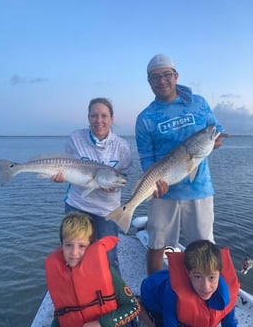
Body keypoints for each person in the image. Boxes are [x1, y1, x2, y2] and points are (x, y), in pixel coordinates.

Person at [135, 54, 228, 274]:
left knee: (205, 246)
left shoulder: (198, 103)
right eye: (155, 77)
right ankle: (153, 293)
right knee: (157, 244)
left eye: (167, 74)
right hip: (163, 192)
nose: (162, 80)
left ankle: (204, 296)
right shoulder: (145, 118)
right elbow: (147, 158)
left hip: (200, 189)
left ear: (176, 76)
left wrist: (215, 141)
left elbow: (216, 130)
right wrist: (154, 184)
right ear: (149, 83)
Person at [53, 97, 132, 270]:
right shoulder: (76, 138)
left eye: (104, 115)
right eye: (94, 115)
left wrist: (113, 184)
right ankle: (76, 292)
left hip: (107, 211)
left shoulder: (123, 147)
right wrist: (60, 176)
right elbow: (67, 167)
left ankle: (111, 294)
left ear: (111, 118)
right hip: (77, 205)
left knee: (108, 257)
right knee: (75, 256)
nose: (99, 120)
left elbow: (123, 176)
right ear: (88, 118)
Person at [45, 212, 141, 327]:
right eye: (68, 245)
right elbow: (62, 313)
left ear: (91, 246)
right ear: (62, 246)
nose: (74, 252)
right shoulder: (60, 276)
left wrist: (101, 323)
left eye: (81, 246)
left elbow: (133, 307)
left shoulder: (107, 272)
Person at [140, 239, 240, 327]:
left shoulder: (228, 294)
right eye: (198, 277)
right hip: (154, 299)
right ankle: (140, 308)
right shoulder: (172, 291)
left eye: (212, 278)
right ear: (188, 273)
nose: (206, 286)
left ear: (219, 273)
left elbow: (229, 323)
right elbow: (169, 322)